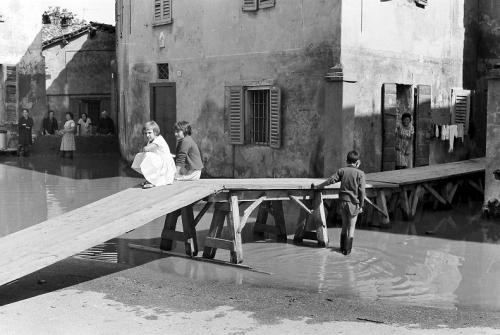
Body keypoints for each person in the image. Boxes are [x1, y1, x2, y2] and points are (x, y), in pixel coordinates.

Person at [313, 150, 366, 255]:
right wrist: (361, 205)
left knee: (344, 226)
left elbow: (331, 180)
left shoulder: (342, 171)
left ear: (346, 161)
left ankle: (342, 248)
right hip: (353, 203)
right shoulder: (360, 173)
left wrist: (319, 186)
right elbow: (362, 191)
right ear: (358, 162)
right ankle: (347, 252)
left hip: (342, 202)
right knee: (351, 228)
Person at [131, 121, 175, 189]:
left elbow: (146, 149)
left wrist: (144, 148)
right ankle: (150, 179)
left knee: (148, 156)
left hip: (165, 165)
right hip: (160, 162)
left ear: (155, 132)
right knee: (139, 156)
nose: (147, 135)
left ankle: (154, 181)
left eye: (149, 133)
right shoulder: (151, 140)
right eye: (145, 133)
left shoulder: (159, 139)